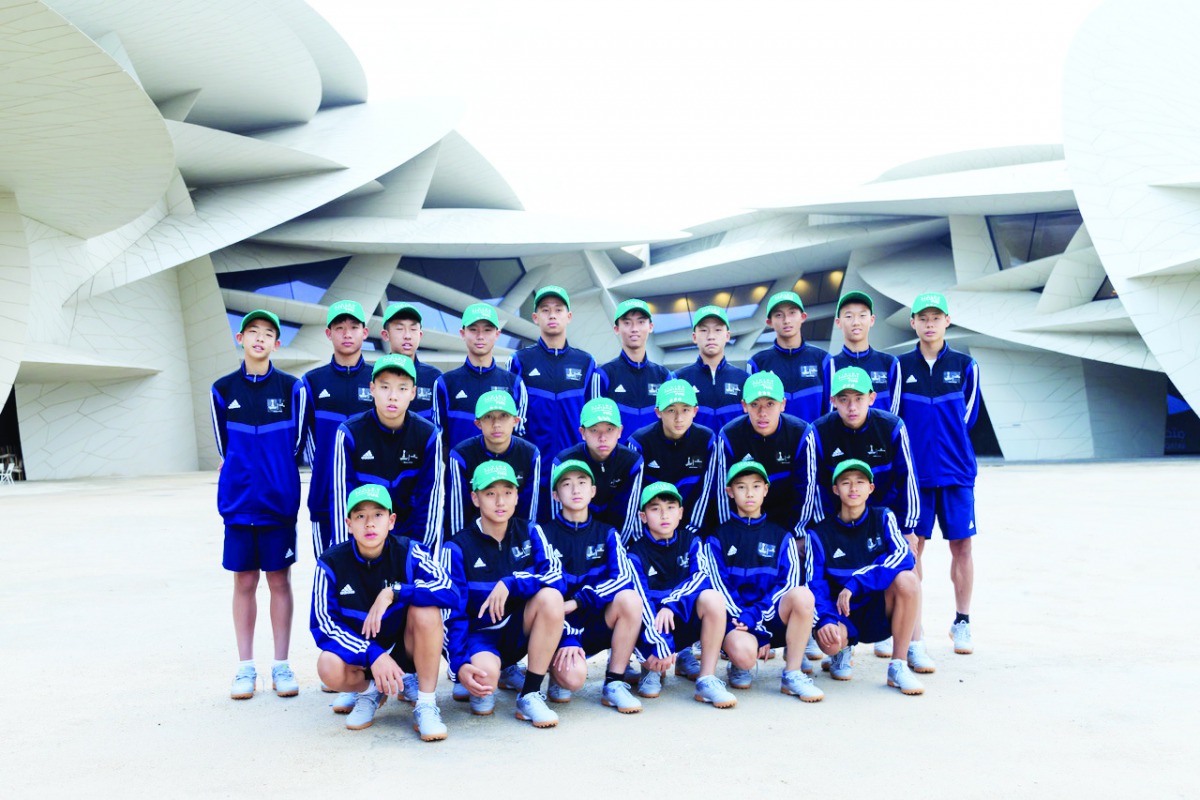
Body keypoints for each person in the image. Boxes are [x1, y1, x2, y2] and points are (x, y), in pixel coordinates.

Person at [310, 484, 457, 737]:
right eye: (360, 516)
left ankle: (426, 703)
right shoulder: (331, 562)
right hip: (361, 656)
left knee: (427, 611)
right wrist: (373, 654)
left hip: (403, 649)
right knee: (327, 665)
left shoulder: (410, 551)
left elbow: (450, 590)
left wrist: (394, 592)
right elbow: (325, 624)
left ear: (391, 521)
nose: (369, 524)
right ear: (349, 524)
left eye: (378, 515)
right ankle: (369, 691)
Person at [210, 309, 305, 700]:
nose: (260, 338)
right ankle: (245, 668)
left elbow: (296, 446)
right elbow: (224, 446)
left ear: (277, 343)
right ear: (240, 338)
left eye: (268, 333)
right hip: (238, 503)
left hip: (278, 504)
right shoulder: (222, 389)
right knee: (244, 581)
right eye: (253, 331)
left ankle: (281, 665)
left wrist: (276, 478)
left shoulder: (292, 389)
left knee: (279, 580)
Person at [811, 366, 928, 668]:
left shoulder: (891, 426)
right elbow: (814, 484)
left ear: (872, 398)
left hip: (883, 518)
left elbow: (908, 478)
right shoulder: (820, 430)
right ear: (833, 401)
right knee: (832, 571)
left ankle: (912, 644)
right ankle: (841, 640)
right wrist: (823, 528)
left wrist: (908, 528)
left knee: (908, 571)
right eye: (844, 399)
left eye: (859, 398)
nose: (852, 406)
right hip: (838, 517)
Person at [444, 462, 566, 728]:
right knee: (484, 684)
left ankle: (530, 694)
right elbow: (451, 614)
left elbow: (557, 577)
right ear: (475, 498)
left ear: (517, 496)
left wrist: (512, 582)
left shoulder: (531, 531)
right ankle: (492, 674)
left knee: (551, 598)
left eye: (508, 492)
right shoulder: (457, 547)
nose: (500, 501)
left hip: (518, 631)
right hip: (481, 637)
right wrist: (459, 664)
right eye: (490, 493)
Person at [541, 461, 670, 713]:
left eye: (582, 483)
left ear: (593, 491)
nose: (575, 490)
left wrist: (580, 600)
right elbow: (540, 594)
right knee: (573, 679)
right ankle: (556, 673)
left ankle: (614, 683)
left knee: (630, 599)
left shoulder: (608, 533)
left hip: (595, 623)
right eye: (566, 484)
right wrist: (566, 635)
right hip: (558, 629)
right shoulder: (542, 534)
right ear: (555, 495)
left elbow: (623, 578)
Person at [898, 292, 980, 657]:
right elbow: (895, 417)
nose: (929, 324)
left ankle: (962, 621)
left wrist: (947, 447)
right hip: (915, 477)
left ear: (947, 320)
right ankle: (914, 629)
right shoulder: (901, 367)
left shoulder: (965, 365)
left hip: (956, 472)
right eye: (923, 318)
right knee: (913, 548)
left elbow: (968, 418)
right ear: (913, 322)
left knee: (962, 546)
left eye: (936, 317)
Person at [704, 462, 823, 701]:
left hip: (767, 615)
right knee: (744, 655)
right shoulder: (717, 537)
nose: (749, 493)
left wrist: (756, 618)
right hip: (737, 619)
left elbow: (788, 584)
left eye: (756, 486)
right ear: (730, 492)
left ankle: (792, 674)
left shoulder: (782, 536)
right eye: (741, 487)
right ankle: (738, 663)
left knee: (803, 596)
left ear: (766, 490)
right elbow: (719, 587)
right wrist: (745, 620)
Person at [806, 460, 925, 695]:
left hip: (877, 610)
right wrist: (825, 620)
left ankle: (898, 666)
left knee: (908, 580)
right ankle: (841, 652)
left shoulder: (883, 517)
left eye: (860, 482)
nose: (853, 488)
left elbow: (904, 556)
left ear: (871, 488)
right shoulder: (819, 533)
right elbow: (814, 584)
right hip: (842, 614)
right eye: (846, 483)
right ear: (835, 489)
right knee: (830, 642)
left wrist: (857, 583)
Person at [626, 482, 738, 708]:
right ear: (643, 516)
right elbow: (643, 604)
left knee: (713, 598)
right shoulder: (634, 552)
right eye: (655, 509)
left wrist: (671, 604)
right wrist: (660, 643)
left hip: (681, 619)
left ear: (680, 513)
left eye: (670, 507)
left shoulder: (691, 541)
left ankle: (706, 679)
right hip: (651, 629)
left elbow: (702, 577)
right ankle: (650, 670)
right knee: (638, 610)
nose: (664, 515)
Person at [331, 354, 443, 551]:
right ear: (372, 389)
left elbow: (429, 500)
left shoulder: (428, 435)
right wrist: (346, 554)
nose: (393, 396)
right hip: (363, 540)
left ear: (413, 392)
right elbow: (342, 499)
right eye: (384, 387)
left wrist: (419, 553)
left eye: (402, 388)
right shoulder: (349, 433)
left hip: (409, 542)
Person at [508, 286, 597, 521]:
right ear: (535, 317)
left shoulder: (585, 362)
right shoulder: (520, 361)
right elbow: (513, 421)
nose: (552, 315)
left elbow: (594, 420)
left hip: (574, 472)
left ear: (569, 316)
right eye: (545, 310)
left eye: (558, 310)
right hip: (533, 472)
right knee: (531, 534)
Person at [301, 300, 374, 558]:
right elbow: (303, 438)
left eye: (353, 327)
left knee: (374, 572)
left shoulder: (379, 379)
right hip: (324, 495)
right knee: (329, 567)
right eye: (339, 328)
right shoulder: (312, 381)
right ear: (328, 333)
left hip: (371, 495)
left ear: (365, 332)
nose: (347, 333)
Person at [714, 372, 817, 536]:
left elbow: (805, 489)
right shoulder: (729, 436)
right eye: (755, 404)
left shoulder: (801, 433)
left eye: (770, 404)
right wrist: (732, 535)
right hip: (744, 524)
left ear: (783, 404)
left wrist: (797, 532)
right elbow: (723, 493)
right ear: (744, 405)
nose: (762, 412)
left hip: (787, 524)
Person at [433, 302, 528, 452]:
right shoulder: (445, 383)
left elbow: (520, 437)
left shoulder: (514, 383)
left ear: (497, 334)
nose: (480, 336)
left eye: (487, 330)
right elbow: (439, 440)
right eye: (473, 329)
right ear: (462, 333)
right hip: (460, 467)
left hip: (502, 468)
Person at [629, 378, 718, 537]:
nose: (679, 418)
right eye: (671, 410)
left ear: (695, 411)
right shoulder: (639, 442)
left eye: (685, 410)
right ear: (658, 412)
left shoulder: (706, 440)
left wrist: (691, 533)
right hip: (649, 533)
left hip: (692, 531)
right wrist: (643, 537)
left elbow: (706, 492)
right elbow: (633, 499)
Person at [550, 397, 644, 543]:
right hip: (572, 538)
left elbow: (628, 515)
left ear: (620, 431)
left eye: (609, 429)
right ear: (582, 432)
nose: (602, 437)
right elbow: (558, 513)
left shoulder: (632, 462)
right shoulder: (564, 461)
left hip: (615, 536)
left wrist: (616, 547)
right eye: (594, 430)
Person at [447, 390, 540, 533]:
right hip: (473, 536)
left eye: (504, 416)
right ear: (478, 423)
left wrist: (522, 542)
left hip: (514, 537)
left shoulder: (530, 454)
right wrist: (464, 544)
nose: (496, 424)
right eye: (488, 417)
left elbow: (528, 512)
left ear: (515, 421)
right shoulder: (461, 455)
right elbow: (457, 514)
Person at [590, 299, 674, 445]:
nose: (634, 329)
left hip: (656, 457)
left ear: (650, 327)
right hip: (617, 458)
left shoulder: (664, 376)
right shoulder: (603, 375)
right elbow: (593, 425)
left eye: (641, 322)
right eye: (627, 323)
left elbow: (672, 425)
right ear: (616, 329)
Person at [747, 290, 833, 424]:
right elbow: (751, 410)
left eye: (792, 313)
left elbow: (831, 409)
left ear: (803, 317)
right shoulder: (757, 363)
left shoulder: (823, 359)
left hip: (814, 436)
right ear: (769, 322)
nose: (786, 320)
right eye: (779, 315)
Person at [673, 305, 749, 433]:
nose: (711, 336)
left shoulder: (744, 379)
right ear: (694, 337)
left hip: (733, 446)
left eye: (718, 330)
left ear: (727, 336)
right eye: (704, 330)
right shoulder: (679, 379)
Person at [832, 291, 900, 414]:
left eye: (862, 315)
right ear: (838, 322)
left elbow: (896, 413)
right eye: (849, 316)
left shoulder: (889, 363)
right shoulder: (830, 365)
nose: (856, 322)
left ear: (872, 320)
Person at [380, 302, 442, 422]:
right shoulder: (375, 376)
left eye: (413, 329)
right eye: (400, 329)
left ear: (420, 335)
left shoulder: (434, 377)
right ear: (386, 335)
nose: (407, 336)